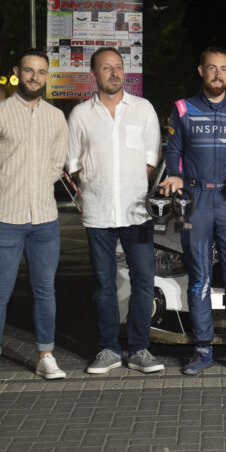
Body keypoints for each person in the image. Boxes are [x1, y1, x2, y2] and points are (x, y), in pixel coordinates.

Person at [157, 47, 226, 376]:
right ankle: (202, 347)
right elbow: (173, 150)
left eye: (224, 69)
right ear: (201, 70)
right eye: (212, 68)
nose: (218, 74)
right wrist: (174, 174)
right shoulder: (183, 108)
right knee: (199, 278)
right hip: (196, 199)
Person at [66, 46, 164, 375]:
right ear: (93, 74)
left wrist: (127, 185)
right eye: (106, 67)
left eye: (118, 67)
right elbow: (74, 164)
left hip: (136, 212)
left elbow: (150, 160)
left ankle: (139, 349)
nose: (114, 73)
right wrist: (100, 184)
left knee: (144, 282)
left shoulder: (143, 109)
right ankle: (108, 349)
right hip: (98, 211)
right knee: (104, 285)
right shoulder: (81, 114)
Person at [0, 49, 68, 387]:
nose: (34, 77)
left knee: (45, 291)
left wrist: (36, 186)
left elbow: (57, 164)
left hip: (45, 218)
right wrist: (9, 189)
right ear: (17, 72)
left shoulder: (56, 118)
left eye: (41, 72)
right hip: (5, 218)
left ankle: (45, 356)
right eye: (29, 71)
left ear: (46, 76)